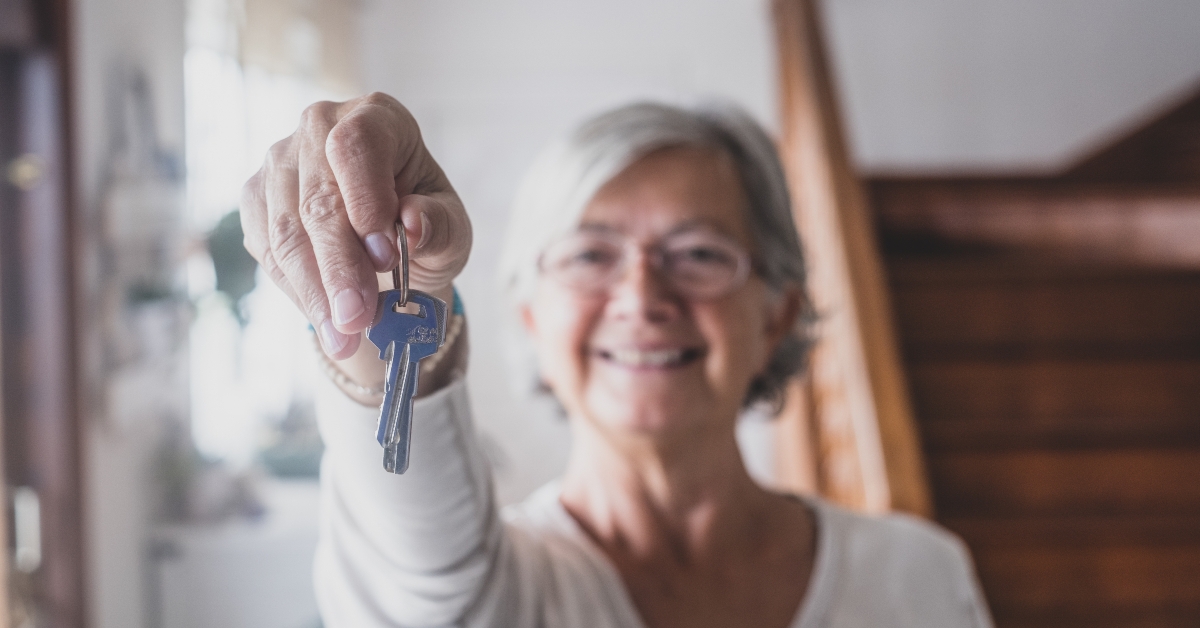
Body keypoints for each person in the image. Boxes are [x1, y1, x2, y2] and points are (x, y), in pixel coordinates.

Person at [240, 93, 993, 627]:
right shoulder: (489, 594)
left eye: (698, 254)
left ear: (777, 314)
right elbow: (415, 560)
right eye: (590, 255)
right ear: (531, 316)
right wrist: (399, 283)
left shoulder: (920, 576)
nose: (641, 296)